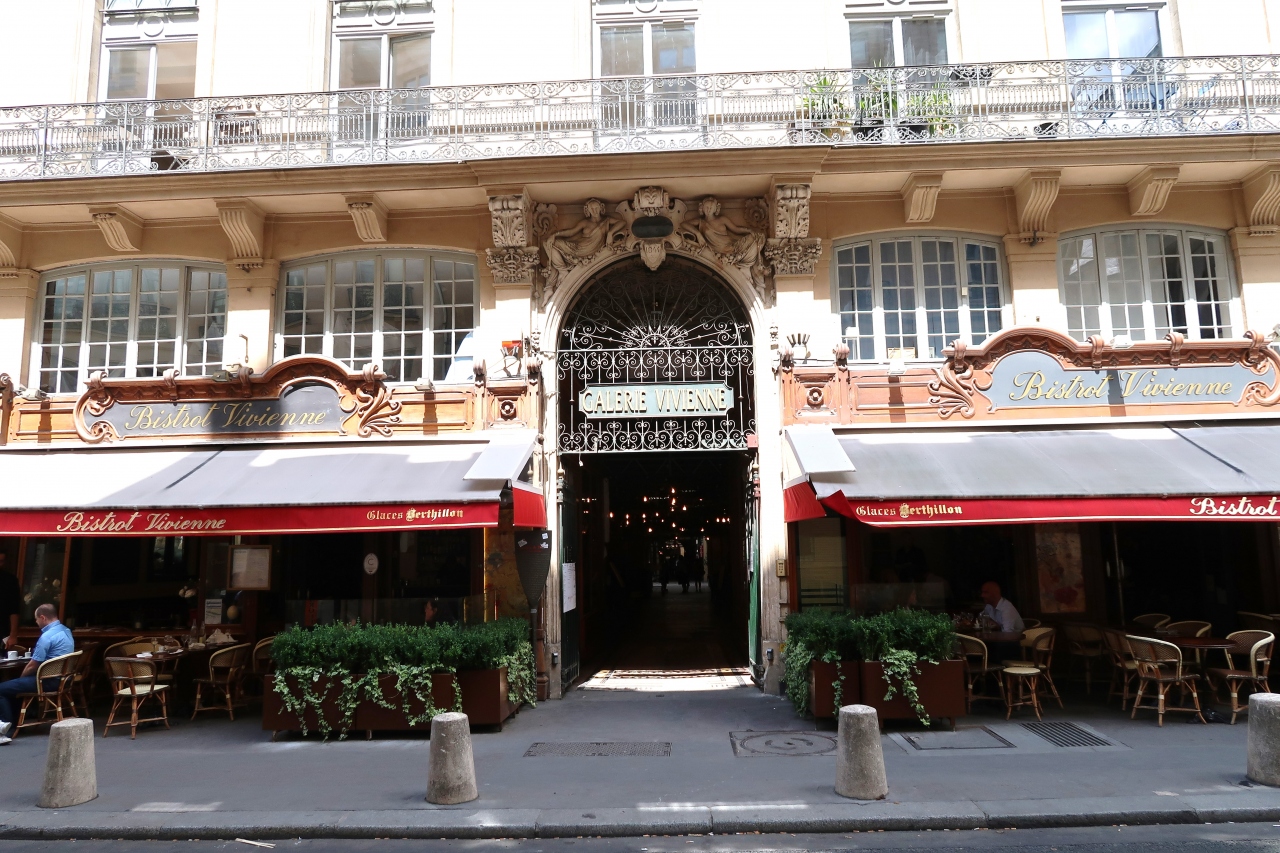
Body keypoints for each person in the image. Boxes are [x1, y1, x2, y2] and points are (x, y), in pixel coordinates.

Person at [0, 603, 74, 745]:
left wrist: (21, 679)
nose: (36, 622)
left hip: (47, 681)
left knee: (2, 689)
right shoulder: (66, 631)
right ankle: (15, 723)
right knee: (13, 688)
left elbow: (33, 664)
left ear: (43, 617)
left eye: (36, 619)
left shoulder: (47, 637)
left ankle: (6, 729)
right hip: (63, 679)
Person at [0, 553, 19, 652]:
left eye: (1, 561)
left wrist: (13, 635)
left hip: (2, 629)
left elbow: (14, 609)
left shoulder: (10, 580)